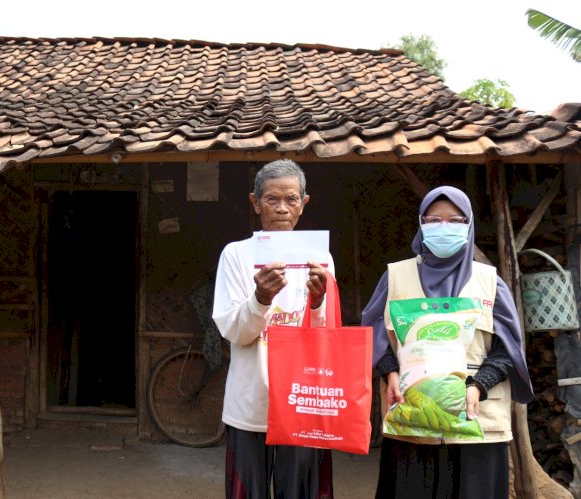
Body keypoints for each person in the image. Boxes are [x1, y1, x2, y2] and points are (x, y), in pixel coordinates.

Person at [360, 185, 534, 499]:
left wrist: (478, 384)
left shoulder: (489, 282)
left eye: (454, 221)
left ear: (468, 226)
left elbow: (507, 347)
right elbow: (372, 335)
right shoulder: (396, 276)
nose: (444, 228)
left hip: (477, 425)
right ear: (420, 223)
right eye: (433, 219)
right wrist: (390, 373)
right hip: (412, 423)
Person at [212, 159, 335, 499]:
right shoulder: (236, 255)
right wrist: (261, 298)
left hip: (304, 399)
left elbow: (325, 334)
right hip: (251, 402)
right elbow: (233, 330)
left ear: (303, 204)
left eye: (291, 199)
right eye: (271, 199)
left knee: (301, 491)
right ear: (255, 203)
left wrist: (318, 302)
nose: (282, 208)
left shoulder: (318, 257)